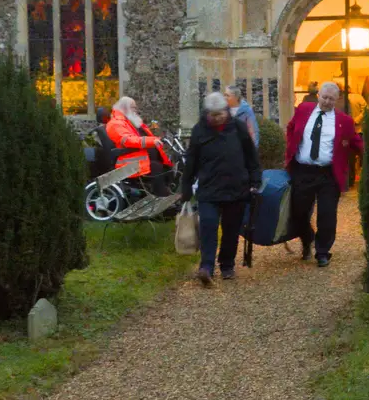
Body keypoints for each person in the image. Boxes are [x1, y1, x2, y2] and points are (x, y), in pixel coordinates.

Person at [179, 91, 261, 284]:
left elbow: (252, 157)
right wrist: (186, 187)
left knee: (231, 230)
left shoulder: (239, 128)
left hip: (236, 188)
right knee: (208, 225)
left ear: (226, 111)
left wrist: (255, 181)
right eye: (213, 115)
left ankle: (227, 265)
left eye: (220, 114)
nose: (217, 118)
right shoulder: (200, 131)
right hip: (209, 188)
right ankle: (206, 267)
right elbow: (191, 161)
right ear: (206, 114)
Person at [285, 80, 363, 268]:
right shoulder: (303, 109)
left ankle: (322, 251)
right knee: (298, 212)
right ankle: (307, 238)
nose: (327, 102)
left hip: (328, 174)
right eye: (325, 97)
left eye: (332, 99)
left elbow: (355, 142)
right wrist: (290, 150)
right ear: (318, 95)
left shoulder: (344, 121)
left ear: (337, 100)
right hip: (303, 171)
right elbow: (291, 128)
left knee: (327, 215)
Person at [105, 96, 173, 196]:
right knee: (156, 168)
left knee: (167, 167)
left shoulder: (130, 122)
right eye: (133, 107)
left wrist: (156, 138)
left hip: (139, 158)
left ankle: (167, 196)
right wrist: (152, 141)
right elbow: (128, 140)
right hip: (129, 162)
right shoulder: (116, 124)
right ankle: (161, 199)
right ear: (125, 108)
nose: (136, 110)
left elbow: (142, 135)